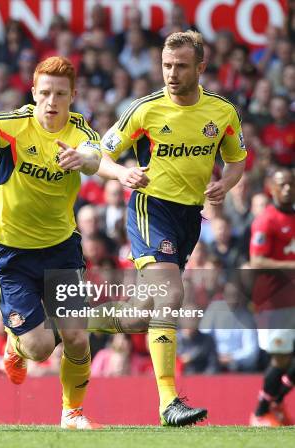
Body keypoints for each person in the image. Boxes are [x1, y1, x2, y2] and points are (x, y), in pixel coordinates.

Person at [0, 56, 102, 429]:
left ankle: (72, 413)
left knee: (77, 336)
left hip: (61, 247)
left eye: (60, 94)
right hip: (12, 253)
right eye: (45, 92)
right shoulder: (12, 124)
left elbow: (98, 155)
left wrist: (87, 159)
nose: (52, 101)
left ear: (73, 96)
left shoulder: (80, 133)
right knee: (40, 348)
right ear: (33, 92)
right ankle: (14, 347)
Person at [96, 31, 247, 426]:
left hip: (188, 217)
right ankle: (168, 402)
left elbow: (236, 161)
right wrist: (122, 172)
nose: (172, 73)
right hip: (151, 208)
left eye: (181, 66)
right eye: (166, 65)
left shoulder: (222, 112)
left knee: (140, 314)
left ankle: (79, 320)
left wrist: (225, 184)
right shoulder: (144, 110)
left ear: (200, 67)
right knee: (171, 293)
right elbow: (100, 153)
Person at [249, 168, 295, 426]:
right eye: (282, 185)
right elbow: (257, 261)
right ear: (272, 189)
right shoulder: (266, 220)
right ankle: (260, 413)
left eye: (290, 184)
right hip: (274, 301)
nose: (287, 188)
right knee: (281, 358)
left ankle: (274, 404)